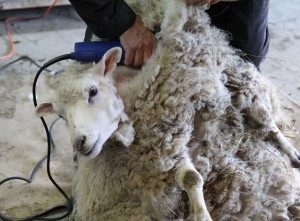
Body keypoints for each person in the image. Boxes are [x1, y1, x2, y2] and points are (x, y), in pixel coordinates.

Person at [69, 0, 269, 69]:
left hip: (232, 11)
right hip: (132, 9)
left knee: (238, 83)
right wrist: (119, 21)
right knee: (101, 84)